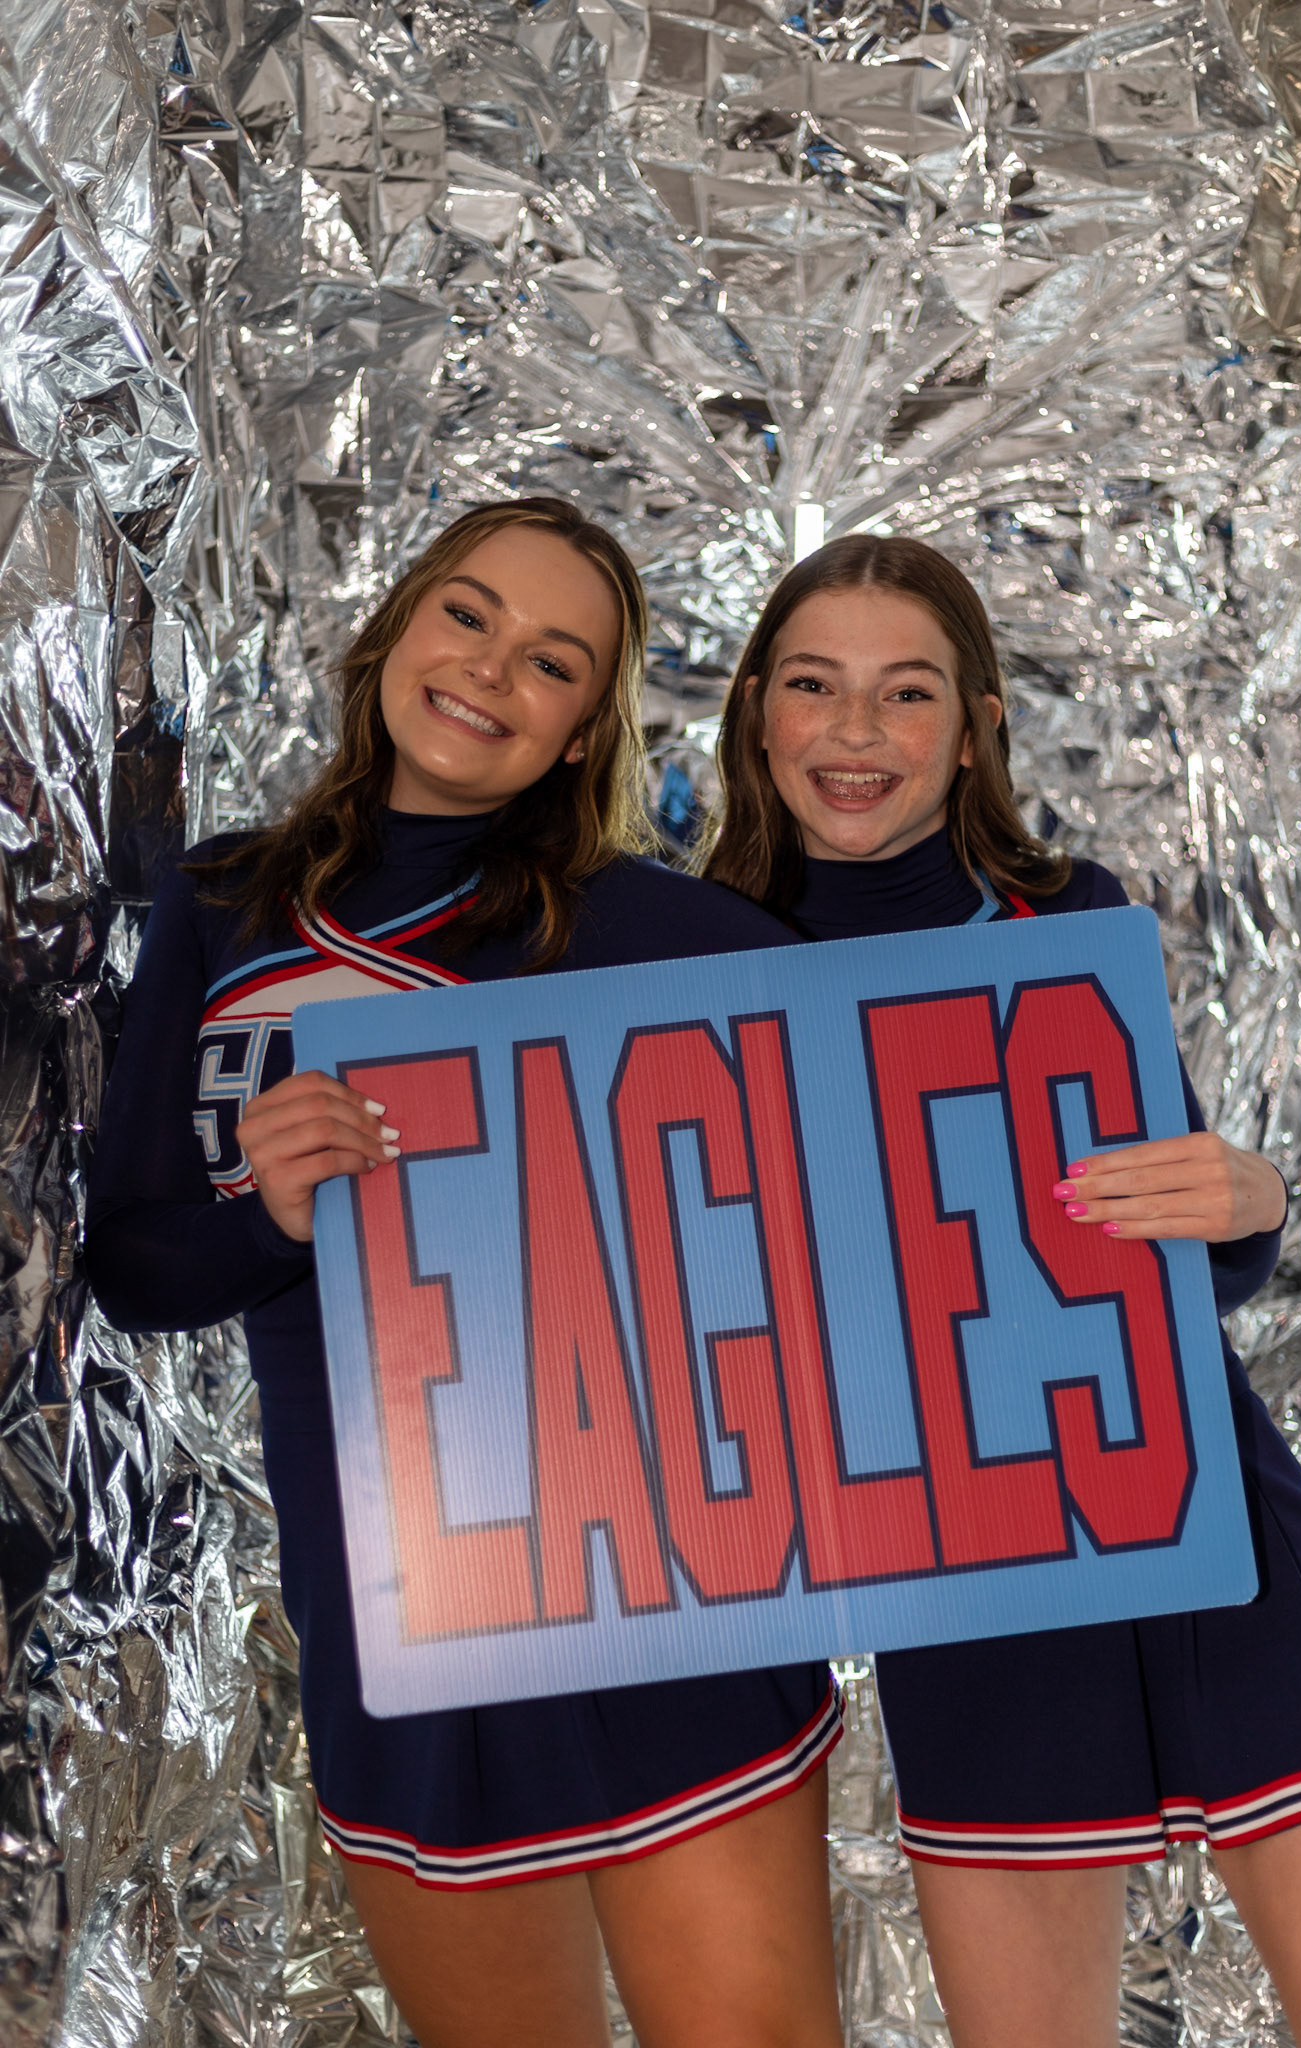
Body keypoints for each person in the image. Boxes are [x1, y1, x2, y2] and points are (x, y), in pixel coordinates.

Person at [84, 498, 846, 2048]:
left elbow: (931, 1129)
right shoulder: (225, 905)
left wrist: (1220, 1205)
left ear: (584, 731)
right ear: (396, 631)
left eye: (552, 661)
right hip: (398, 1629)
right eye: (468, 615)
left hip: (666, 1612)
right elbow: (138, 1265)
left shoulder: (669, 936)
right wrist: (272, 1217)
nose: (492, 670)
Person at [702, 532, 1301, 2048]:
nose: (856, 730)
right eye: (812, 685)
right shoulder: (679, 967)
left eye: (906, 691)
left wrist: (1249, 1198)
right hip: (973, 1575)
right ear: (755, 714)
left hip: (1203, 1516)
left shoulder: (1066, 917)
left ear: (973, 728)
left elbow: (1169, 1248)